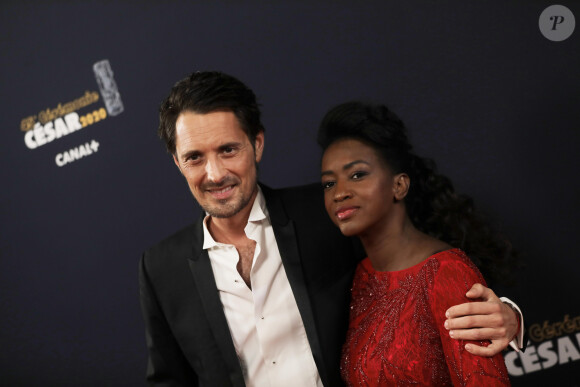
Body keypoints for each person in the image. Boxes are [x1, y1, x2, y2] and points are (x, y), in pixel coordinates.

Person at [139, 71, 523, 387]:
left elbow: (417, 265)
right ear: (177, 162)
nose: (215, 174)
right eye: (195, 157)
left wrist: (506, 314)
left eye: (228, 150)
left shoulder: (325, 212)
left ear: (256, 144)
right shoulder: (161, 268)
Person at [318, 101, 517, 385]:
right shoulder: (362, 276)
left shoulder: (446, 273)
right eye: (329, 183)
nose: (339, 193)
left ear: (399, 185)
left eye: (357, 175)